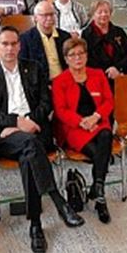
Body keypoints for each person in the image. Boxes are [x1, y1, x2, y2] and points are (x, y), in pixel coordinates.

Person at [0, 27, 84, 253]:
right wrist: (16, 123)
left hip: (34, 130)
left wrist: (30, 122)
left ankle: (36, 224)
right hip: (4, 135)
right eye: (4, 44)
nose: (10, 48)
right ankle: (57, 199)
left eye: (14, 43)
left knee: (29, 154)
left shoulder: (33, 68)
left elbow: (46, 102)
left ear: (20, 46)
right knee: (29, 146)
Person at [51, 37, 115, 223]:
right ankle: (99, 195)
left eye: (81, 54)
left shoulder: (97, 75)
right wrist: (82, 122)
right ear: (66, 58)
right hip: (74, 128)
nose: (77, 58)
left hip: (98, 122)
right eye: (72, 55)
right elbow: (61, 111)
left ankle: (98, 190)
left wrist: (95, 117)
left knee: (105, 134)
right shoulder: (60, 81)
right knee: (99, 154)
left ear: (86, 56)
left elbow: (108, 101)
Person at [83, 0, 127, 80]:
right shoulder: (86, 35)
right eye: (99, 12)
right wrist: (108, 73)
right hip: (99, 79)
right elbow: (88, 61)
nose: (103, 14)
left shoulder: (119, 31)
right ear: (93, 15)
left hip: (122, 76)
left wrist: (117, 68)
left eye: (106, 12)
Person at [19, 1, 69, 82]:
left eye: (52, 14)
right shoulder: (25, 39)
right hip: (40, 86)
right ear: (35, 18)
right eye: (45, 15)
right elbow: (24, 68)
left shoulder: (65, 36)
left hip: (65, 82)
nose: (49, 18)